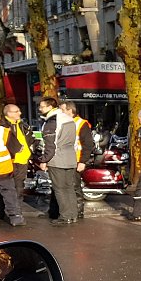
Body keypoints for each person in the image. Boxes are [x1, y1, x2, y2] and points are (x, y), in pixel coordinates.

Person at [37, 96, 78, 226]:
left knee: (59, 189)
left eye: (42, 106)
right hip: (70, 157)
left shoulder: (52, 121)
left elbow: (51, 144)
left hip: (57, 158)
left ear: (50, 107)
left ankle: (65, 216)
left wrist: (44, 160)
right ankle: (73, 215)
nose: (40, 109)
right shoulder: (69, 119)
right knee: (69, 188)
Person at [60, 101, 95, 220]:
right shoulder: (63, 122)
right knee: (62, 186)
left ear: (70, 110)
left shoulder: (81, 123)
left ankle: (78, 211)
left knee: (75, 186)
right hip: (64, 159)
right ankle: (66, 211)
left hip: (75, 159)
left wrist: (83, 161)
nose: (60, 112)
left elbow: (88, 144)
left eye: (63, 110)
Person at [1, 103, 36, 204]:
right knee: (7, 186)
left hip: (22, 160)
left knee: (19, 186)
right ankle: (7, 208)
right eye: (16, 111)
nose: (20, 113)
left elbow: (31, 139)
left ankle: (17, 208)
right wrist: (16, 149)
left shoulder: (22, 125)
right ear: (8, 113)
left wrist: (31, 151)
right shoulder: (3, 126)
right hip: (9, 160)